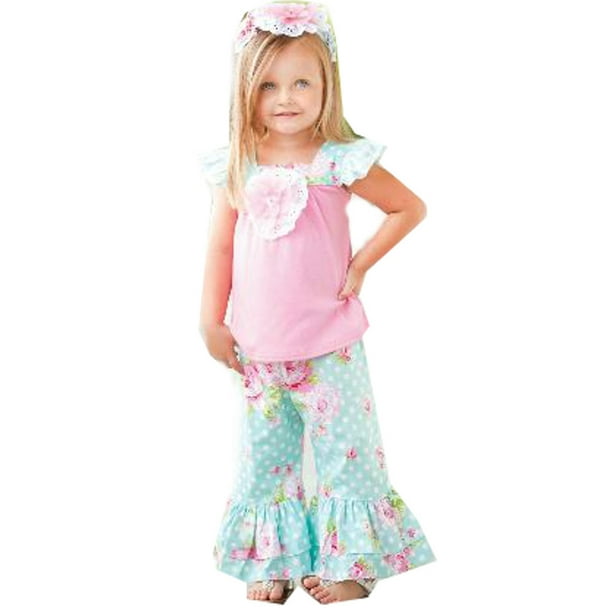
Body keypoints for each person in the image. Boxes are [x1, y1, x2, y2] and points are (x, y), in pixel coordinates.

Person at [199, 1, 436, 604]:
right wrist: (210, 319)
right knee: (266, 462)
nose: (286, 98)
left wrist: (359, 264)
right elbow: (221, 247)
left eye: (302, 82)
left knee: (347, 458)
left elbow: (408, 208)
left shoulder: (338, 158)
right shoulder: (238, 163)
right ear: (246, 91)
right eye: (269, 85)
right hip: (259, 348)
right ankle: (272, 562)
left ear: (327, 82)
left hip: (332, 345)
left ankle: (353, 565)